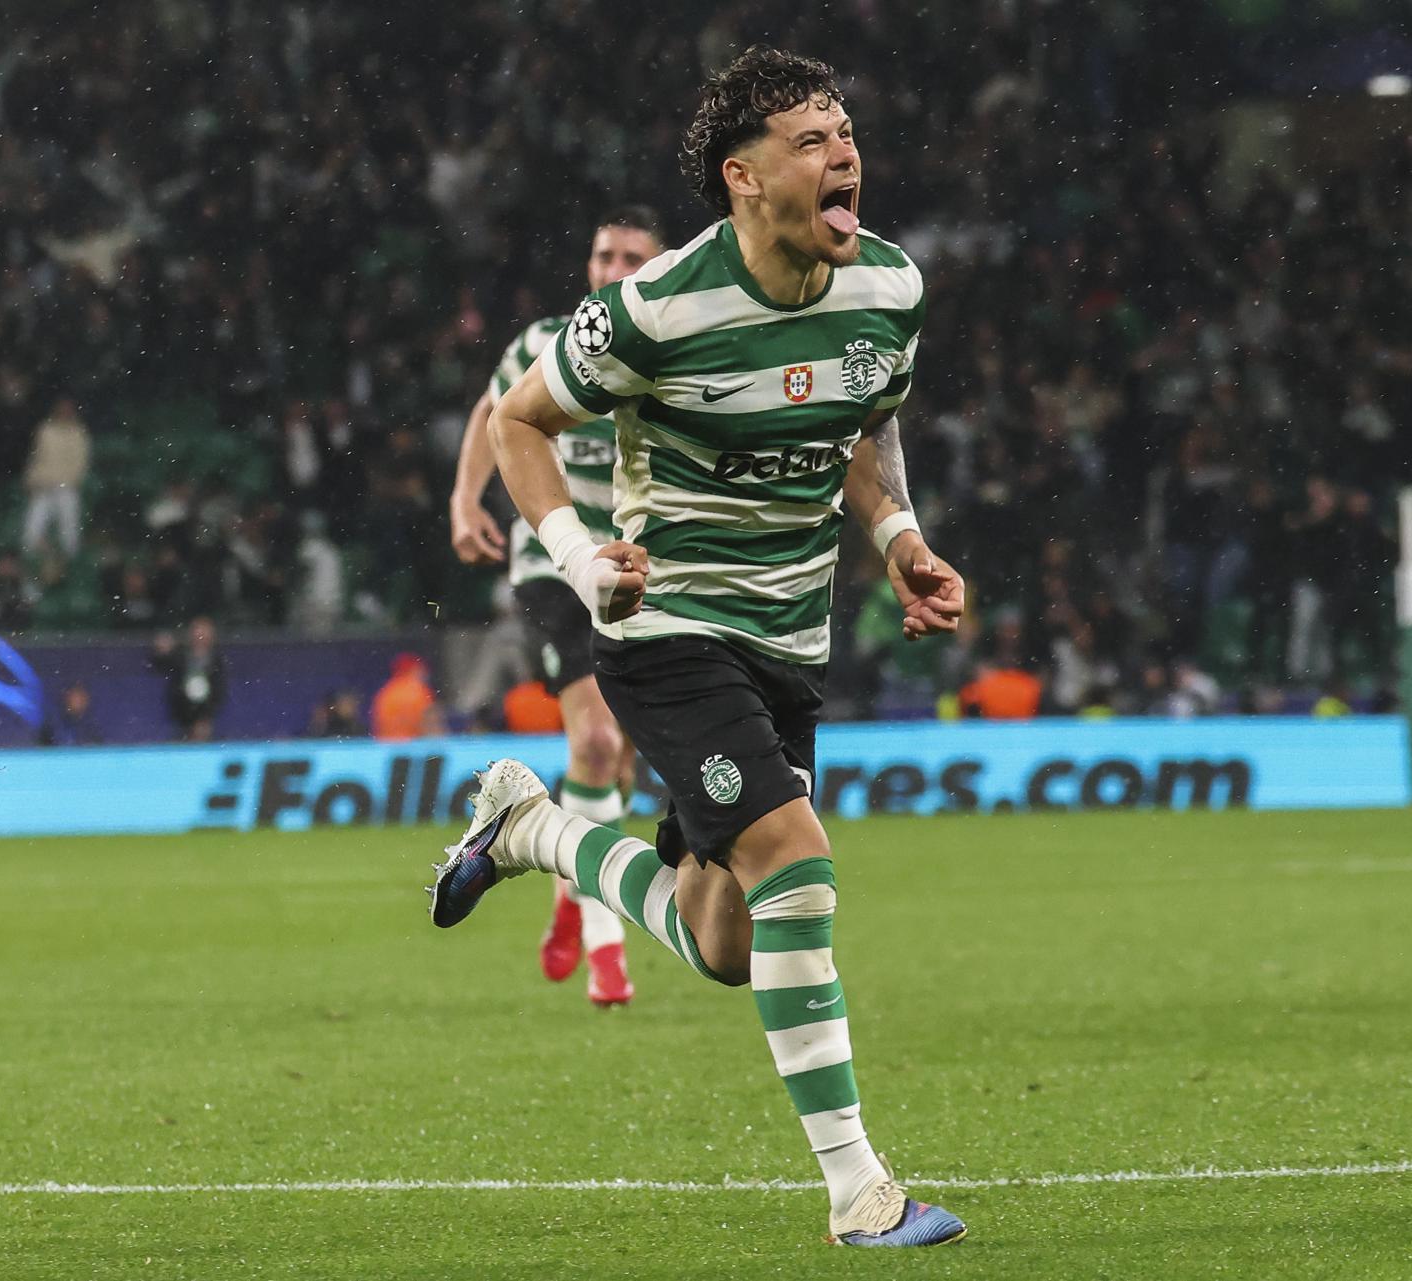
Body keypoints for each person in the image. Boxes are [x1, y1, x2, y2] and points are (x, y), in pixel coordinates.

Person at [431, 49, 968, 1247]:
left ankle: (531, 830)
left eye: (847, 132)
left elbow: (863, 426)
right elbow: (520, 419)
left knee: (727, 939)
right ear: (744, 175)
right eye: (813, 138)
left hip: (791, 636)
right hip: (667, 625)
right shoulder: (654, 309)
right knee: (798, 861)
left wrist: (899, 538)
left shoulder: (890, 290)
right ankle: (859, 1193)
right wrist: (578, 560)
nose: (845, 155)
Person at [449, 206, 664, 1008]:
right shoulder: (546, 340)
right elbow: (490, 411)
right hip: (554, 562)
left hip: (644, 571)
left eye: (631, 256)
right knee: (599, 740)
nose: (613, 267)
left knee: (616, 762)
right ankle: (609, 953)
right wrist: (465, 501)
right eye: (603, 252)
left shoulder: (674, 350)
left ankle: (568, 887)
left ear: (657, 267)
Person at [21, 398, 92, 557]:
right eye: (61, 408)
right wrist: (31, 479)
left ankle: (70, 563)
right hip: (43, 486)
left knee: (69, 529)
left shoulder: (79, 432)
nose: (64, 412)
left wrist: (64, 481)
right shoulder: (45, 430)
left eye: (68, 409)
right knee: (32, 528)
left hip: (66, 486)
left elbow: (80, 463)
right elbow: (37, 456)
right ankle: (31, 562)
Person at [149, 617, 224, 741]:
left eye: (204, 633)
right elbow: (160, 665)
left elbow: (219, 690)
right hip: (180, 716)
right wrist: (160, 652)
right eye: (197, 632)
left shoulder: (216, 661)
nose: (200, 636)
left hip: (205, 719)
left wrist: (205, 717)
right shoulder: (180, 655)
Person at [371, 653, 437, 742]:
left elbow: (377, 725)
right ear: (414, 670)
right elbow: (431, 726)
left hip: (387, 747)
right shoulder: (419, 691)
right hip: (414, 747)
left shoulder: (386, 692)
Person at [36, 681, 103, 746]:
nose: (78, 701)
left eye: (81, 697)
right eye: (75, 697)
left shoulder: (91, 727)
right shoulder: (53, 724)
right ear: (66, 697)